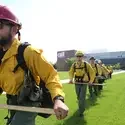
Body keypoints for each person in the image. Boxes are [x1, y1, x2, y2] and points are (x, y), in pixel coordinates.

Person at [0, 5, 68, 125]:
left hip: (29, 103)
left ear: (14, 29)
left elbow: (51, 75)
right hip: (12, 103)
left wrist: (58, 99)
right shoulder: (1, 56)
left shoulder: (28, 52)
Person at [68, 50, 95, 117]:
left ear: (82, 57)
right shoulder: (74, 65)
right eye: (77, 56)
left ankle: (81, 112)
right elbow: (71, 72)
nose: (79, 58)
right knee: (78, 97)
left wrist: (91, 81)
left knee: (82, 98)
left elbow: (92, 73)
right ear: (76, 57)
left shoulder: (86, 64)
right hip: (77, 83)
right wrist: (71, 79)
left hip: (84, 83)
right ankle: (81, 106)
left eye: (80, 56)